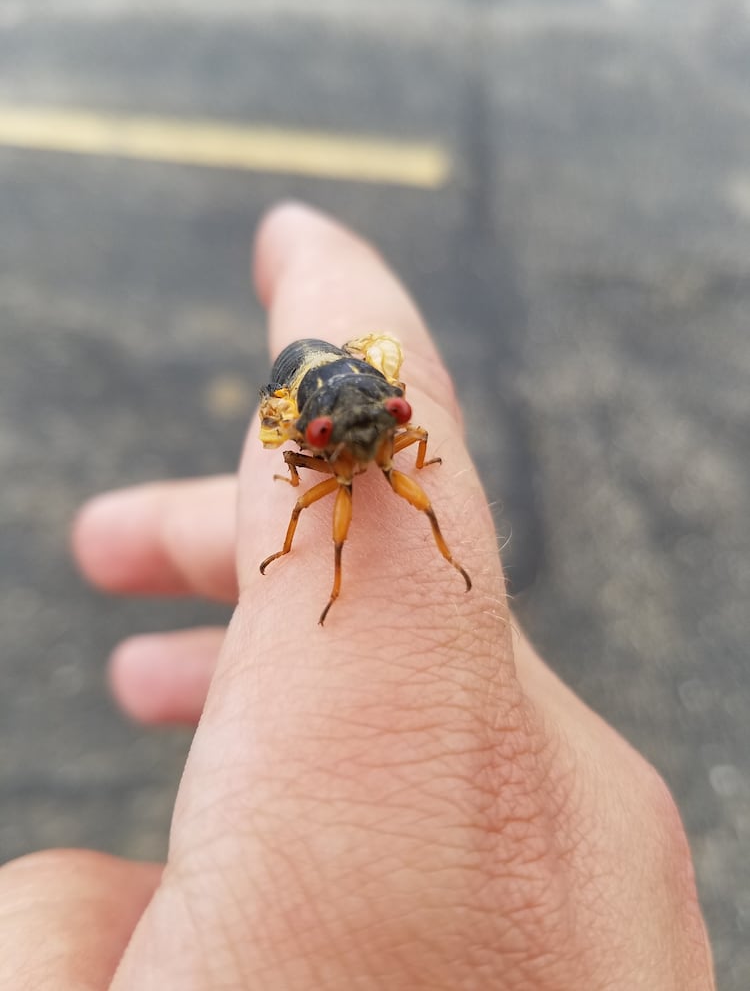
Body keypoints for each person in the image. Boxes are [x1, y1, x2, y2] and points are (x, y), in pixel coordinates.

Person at [0, 205, 715, 989]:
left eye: (393, 422)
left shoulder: (388, 426)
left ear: (393, 411)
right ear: (322, 442)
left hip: (342, 382)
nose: (378, 442)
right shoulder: (321, 454)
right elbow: (306, 478)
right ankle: (330, 576)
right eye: (353, 440)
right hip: (306, 392)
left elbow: (403, 435)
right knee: (319, 520)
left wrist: (398, 430)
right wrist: (309, 482)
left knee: (423, 500)